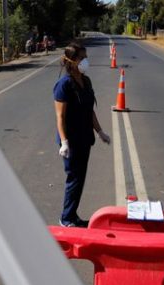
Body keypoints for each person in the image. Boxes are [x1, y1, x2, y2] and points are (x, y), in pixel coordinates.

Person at [54, 42, 111, 227]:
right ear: (71, 61)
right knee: (74, 178)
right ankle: (66, 218)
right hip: (71, 140)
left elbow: (89, 111)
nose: (85, 61)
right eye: (82, 58)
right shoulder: (64, 85)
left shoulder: (86, 81)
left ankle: (72, 214)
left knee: (80, 179)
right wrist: (64, 141)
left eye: (86, 57)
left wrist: (100, 131)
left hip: (85, 138)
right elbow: (60, 116)